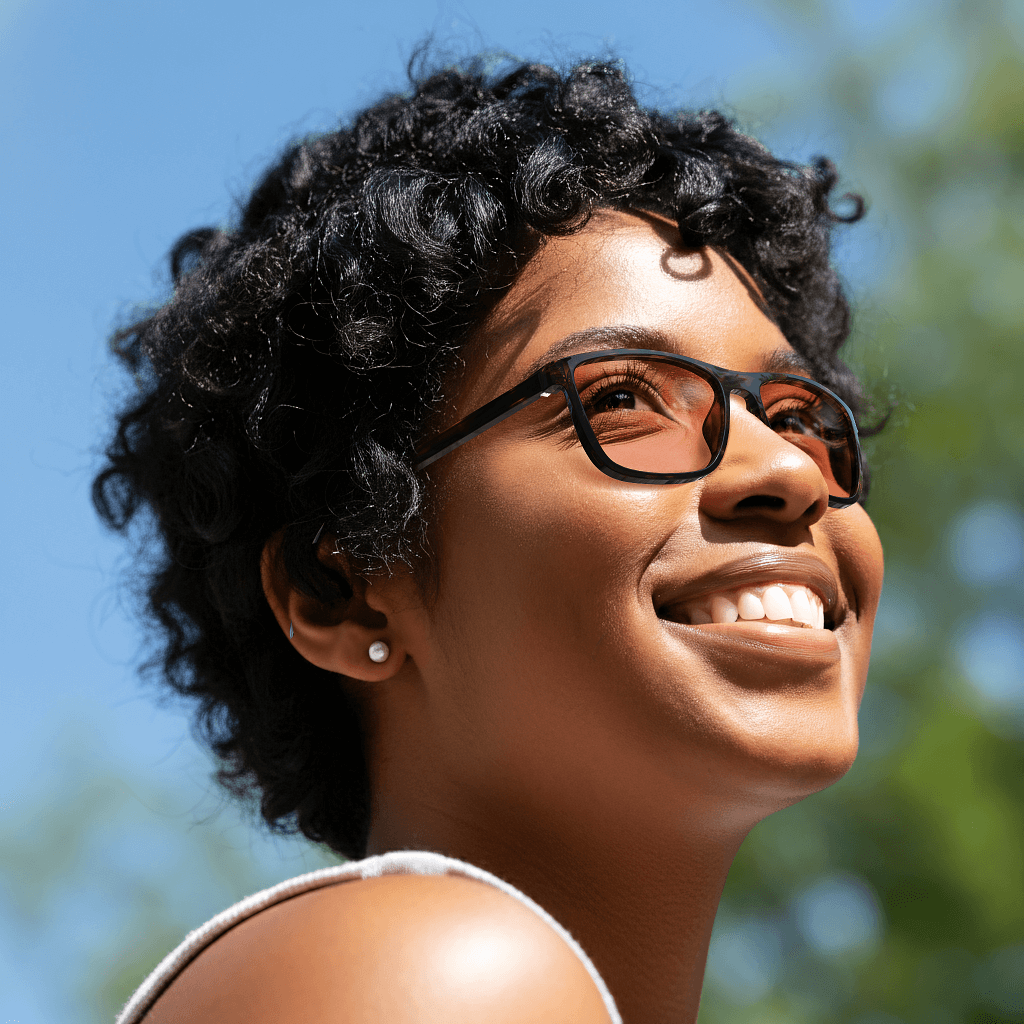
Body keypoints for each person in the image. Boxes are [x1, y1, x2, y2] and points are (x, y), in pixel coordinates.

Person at [95, 54, 884, 1024]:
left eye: (799, 413)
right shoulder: (444, 972)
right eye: (622, 398)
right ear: (340, 590)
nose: (790, 472)